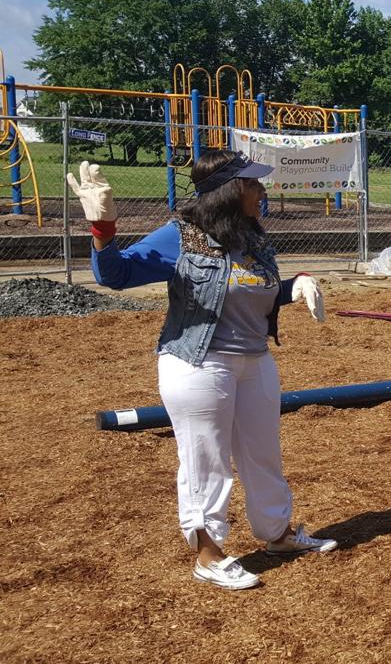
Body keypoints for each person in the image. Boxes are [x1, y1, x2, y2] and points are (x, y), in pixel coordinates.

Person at [67, 151, 335, 591]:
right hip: (198, 362)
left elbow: (253, 293)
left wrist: (295, 284)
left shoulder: (253, 236)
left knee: (262, 455)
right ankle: (208, 555)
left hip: (254, 361)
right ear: (231, 190)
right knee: (206, 462)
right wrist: (102, 227)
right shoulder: (180, 236)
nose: (262, 190)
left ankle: (277, 535)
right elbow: (114, 275)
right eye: (253, 183)